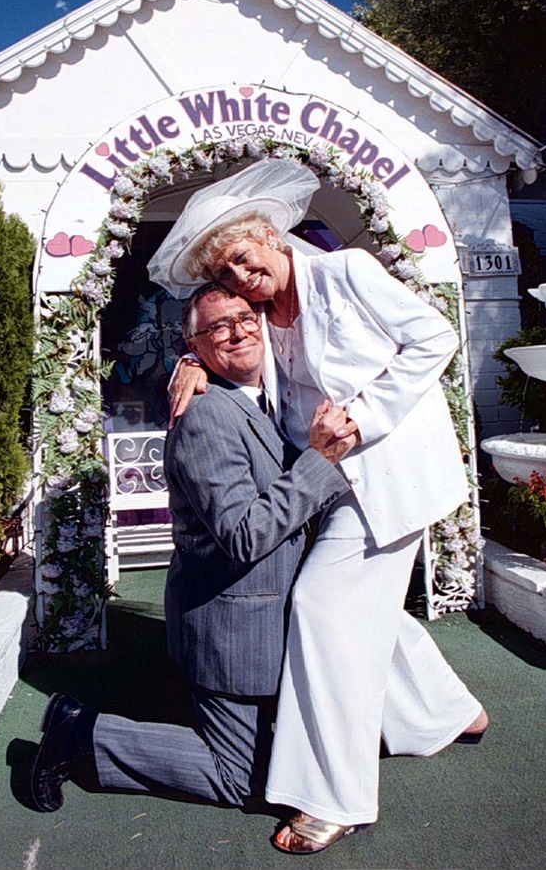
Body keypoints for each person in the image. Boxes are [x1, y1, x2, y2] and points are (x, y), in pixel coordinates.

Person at [148, 158, 488, 854]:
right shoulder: (256, 316)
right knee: (362, 604)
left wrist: (363, 417)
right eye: (226, 272)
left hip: (386, 477)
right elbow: (233, 351)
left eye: (244, 257)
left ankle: (333, 796)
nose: (241, 276)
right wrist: (192, 363)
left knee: (322, 607)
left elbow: (436, 336)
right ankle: (448, 713)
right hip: (324, 483)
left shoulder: (347, 273)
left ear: (270, 236)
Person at [28, 282, 354, 814]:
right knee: (240, 778)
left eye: (245, 318)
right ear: (195, 345)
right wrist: (320, 462)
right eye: (217, 328)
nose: (238, 332)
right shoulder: (205, 418)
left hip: (283, 618)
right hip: (237, 629)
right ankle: (82, 732)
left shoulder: (276, 393)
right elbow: (244, 534)